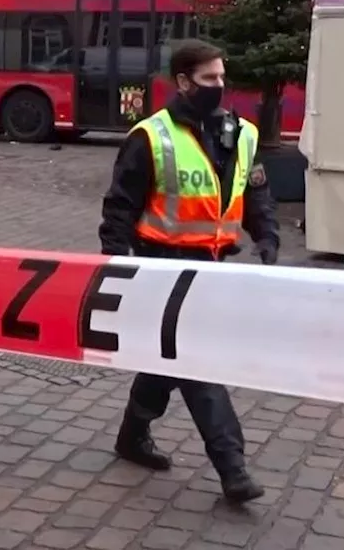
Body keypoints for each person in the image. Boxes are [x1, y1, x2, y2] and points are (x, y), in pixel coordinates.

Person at [99, 39, 275, 505]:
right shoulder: (150, 136)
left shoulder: (240, 133)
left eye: (222, 77)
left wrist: (268, 236)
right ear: (182, 81)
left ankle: (132, 435)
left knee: (166, 359)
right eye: (209, 79)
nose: (220, 86)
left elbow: (253, 191)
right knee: (197, 362)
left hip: (213, 267)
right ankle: (232, 467)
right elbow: (118, 210)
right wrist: (117, 267)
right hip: (162, 267)